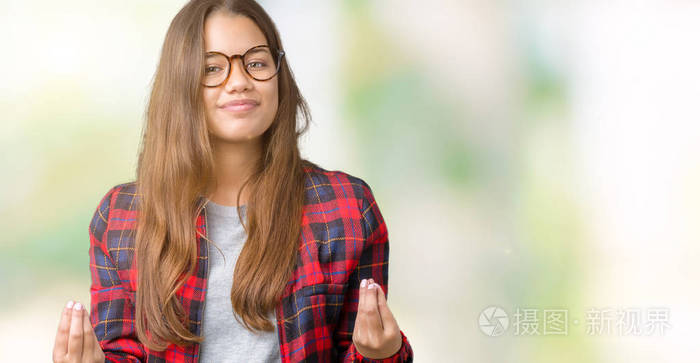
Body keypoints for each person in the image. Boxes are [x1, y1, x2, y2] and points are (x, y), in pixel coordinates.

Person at [51, 0, 414, 362]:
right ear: (180, 82)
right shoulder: (120, 217)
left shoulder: (348, 208)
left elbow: (360, 348)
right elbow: (122, 353)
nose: (239, 82)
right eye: (212, 68)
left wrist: (381, 354)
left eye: (256, 63)